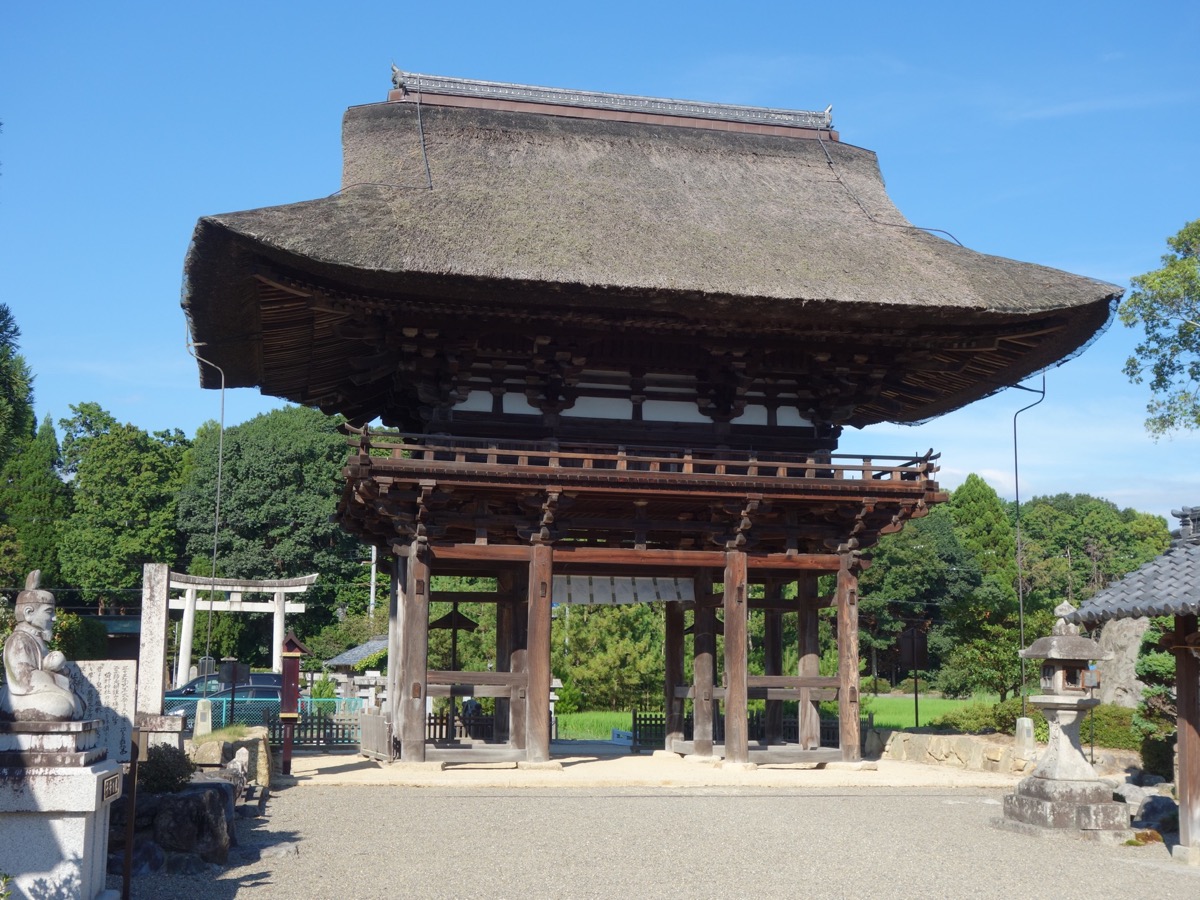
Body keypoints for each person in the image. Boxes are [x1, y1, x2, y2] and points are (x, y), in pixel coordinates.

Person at [0, 571, 84, 722]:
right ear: (29, 613)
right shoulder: (18, 640)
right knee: (60, 706)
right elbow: (24, 679)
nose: (54, 618)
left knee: (79, 703)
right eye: (49, 612)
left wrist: (60, 672)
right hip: (17, 697)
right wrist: (57, 678)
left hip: (42, 691)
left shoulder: (37, 639)